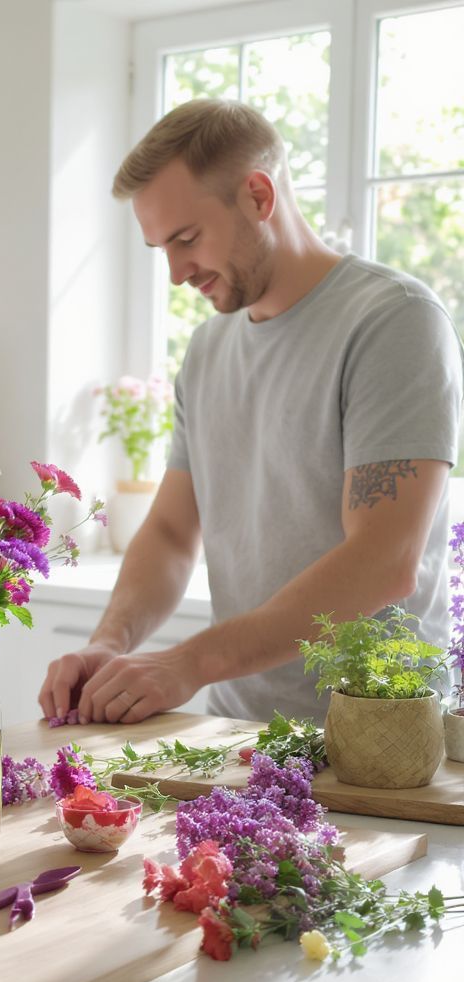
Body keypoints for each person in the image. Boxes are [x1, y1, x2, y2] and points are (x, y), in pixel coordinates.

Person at [38, 98, 463, 727]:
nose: (176, 273)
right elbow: (171, 533)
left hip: (376, 740)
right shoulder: (208, 349)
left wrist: (189, 662)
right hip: (235, 732)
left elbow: (383, 561)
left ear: (259, 196)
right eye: (161, 248)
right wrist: (110, 642)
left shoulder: (393, 321)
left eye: (187, 239)